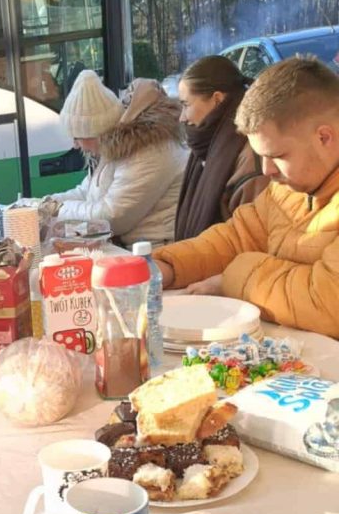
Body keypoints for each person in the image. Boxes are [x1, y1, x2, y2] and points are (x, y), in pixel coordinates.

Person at [154, 56, 339, 338]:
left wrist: (233, 279)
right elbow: (238, 237)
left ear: (324, 137)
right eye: (261, 156)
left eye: (278, 155)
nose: (267, 170)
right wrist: (168, 266)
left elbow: (328, 301)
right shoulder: (287, 188)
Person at [44, 70, 187, 247]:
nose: (75, 145)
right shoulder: (114, 148)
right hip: (133, 246)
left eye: (77, 137)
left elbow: (112, 218)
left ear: (94, 132)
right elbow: (86, 192)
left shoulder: (148, 151)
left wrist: (56, 210)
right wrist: (43, 204)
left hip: (156, 249)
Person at [175, 55, 269, 238]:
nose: (182, 117)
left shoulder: (251, 156)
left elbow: (252, 238)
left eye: (186, 105)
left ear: (217, 99)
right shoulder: (209, 147)